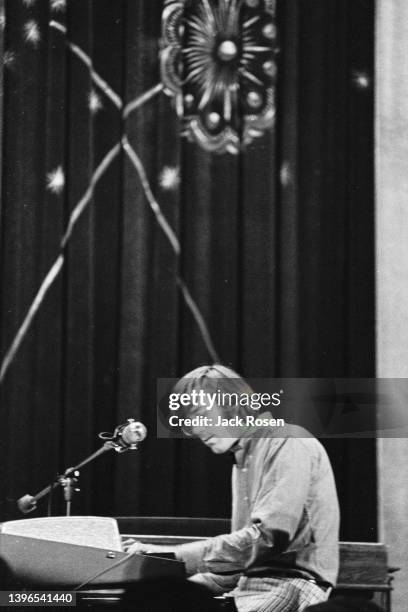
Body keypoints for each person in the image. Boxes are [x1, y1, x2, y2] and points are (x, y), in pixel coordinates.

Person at [127, 365, 340, 612]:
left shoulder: (287, 441)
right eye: (189, 422)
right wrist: (167, 578)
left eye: (201, 416)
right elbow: (242, 565)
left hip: (294, 586)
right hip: (250, 586)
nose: (196, 430)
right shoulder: (242, 459)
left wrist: (174, 555)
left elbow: (269, 539)